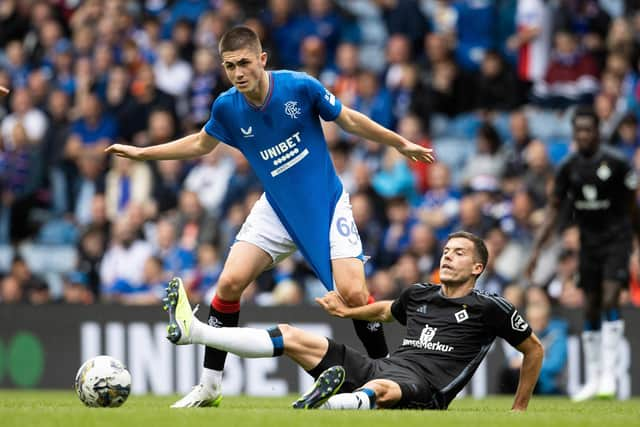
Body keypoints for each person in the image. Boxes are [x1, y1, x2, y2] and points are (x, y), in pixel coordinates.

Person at [105, 26, 434, 408]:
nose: (238, 72)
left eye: (244, 63)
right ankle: (209, 386)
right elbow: (200, 143)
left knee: (355, 294)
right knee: (227, 284)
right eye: (229, 66)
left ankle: (387, 379)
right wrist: (144, 154)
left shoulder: (300, 87)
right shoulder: (226, 107)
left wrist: (399, 142)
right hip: (276, 208)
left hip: (326, 203)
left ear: (262, 60)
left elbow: (349, 120)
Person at [163, 231, 543, 410]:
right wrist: (348, 312)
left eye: (458, 253)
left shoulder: (491, 307)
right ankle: (195, 332)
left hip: (424, 388)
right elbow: (384, 310)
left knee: (382, 388)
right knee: (291, 335)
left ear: (477, 267)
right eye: (445, 251)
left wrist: (520, 407)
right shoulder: (421, 293)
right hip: (387, 365)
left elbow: (533, 350)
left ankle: (333, 404)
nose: (447, 257)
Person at [526, 105, 637, 401]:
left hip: (617, 240)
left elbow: (632, 207)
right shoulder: (568, 167)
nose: (584, 135)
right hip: (589, 243)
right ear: (574, 133)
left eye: (589, 129)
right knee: (590, 305)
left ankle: (610, 375)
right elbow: (553, 209)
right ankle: (595, 376)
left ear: (598, 131)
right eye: (579, 130)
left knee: (611, 296)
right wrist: (536, 252)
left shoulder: (617, 163)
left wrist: (636, 244)